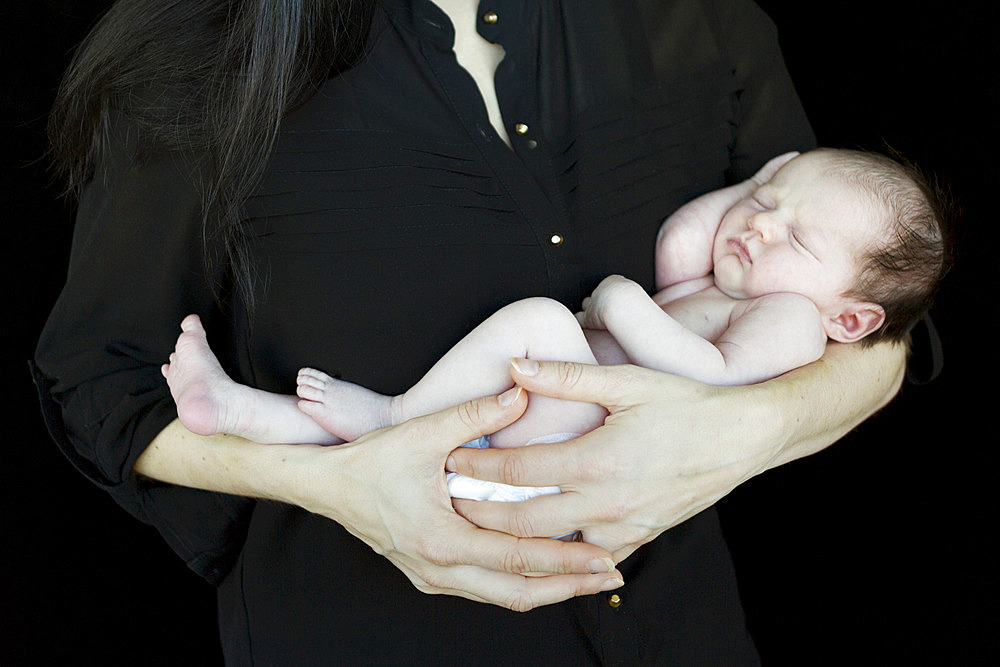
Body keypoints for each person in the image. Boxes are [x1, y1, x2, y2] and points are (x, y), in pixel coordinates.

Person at [31, 0, 912, 662]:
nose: (759, 221)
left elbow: (879, 328)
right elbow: (99, 378)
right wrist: (346, 488)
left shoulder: (697, 24)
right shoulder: (209, 41)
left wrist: (740, 430)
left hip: (676, 631)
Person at [158, 148, 947, 509]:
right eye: (766, 204)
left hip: (577, 451)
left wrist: (617, 305)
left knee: (537, 323)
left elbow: (715, 383)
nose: (762, 227)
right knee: (353, 448)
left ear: (852, 316)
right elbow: (678, 244)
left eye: (797, 239)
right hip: (538, 422)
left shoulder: (794, 323)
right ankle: (234, 412)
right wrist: (766, 183)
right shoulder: (725, 278)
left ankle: (390, 414)